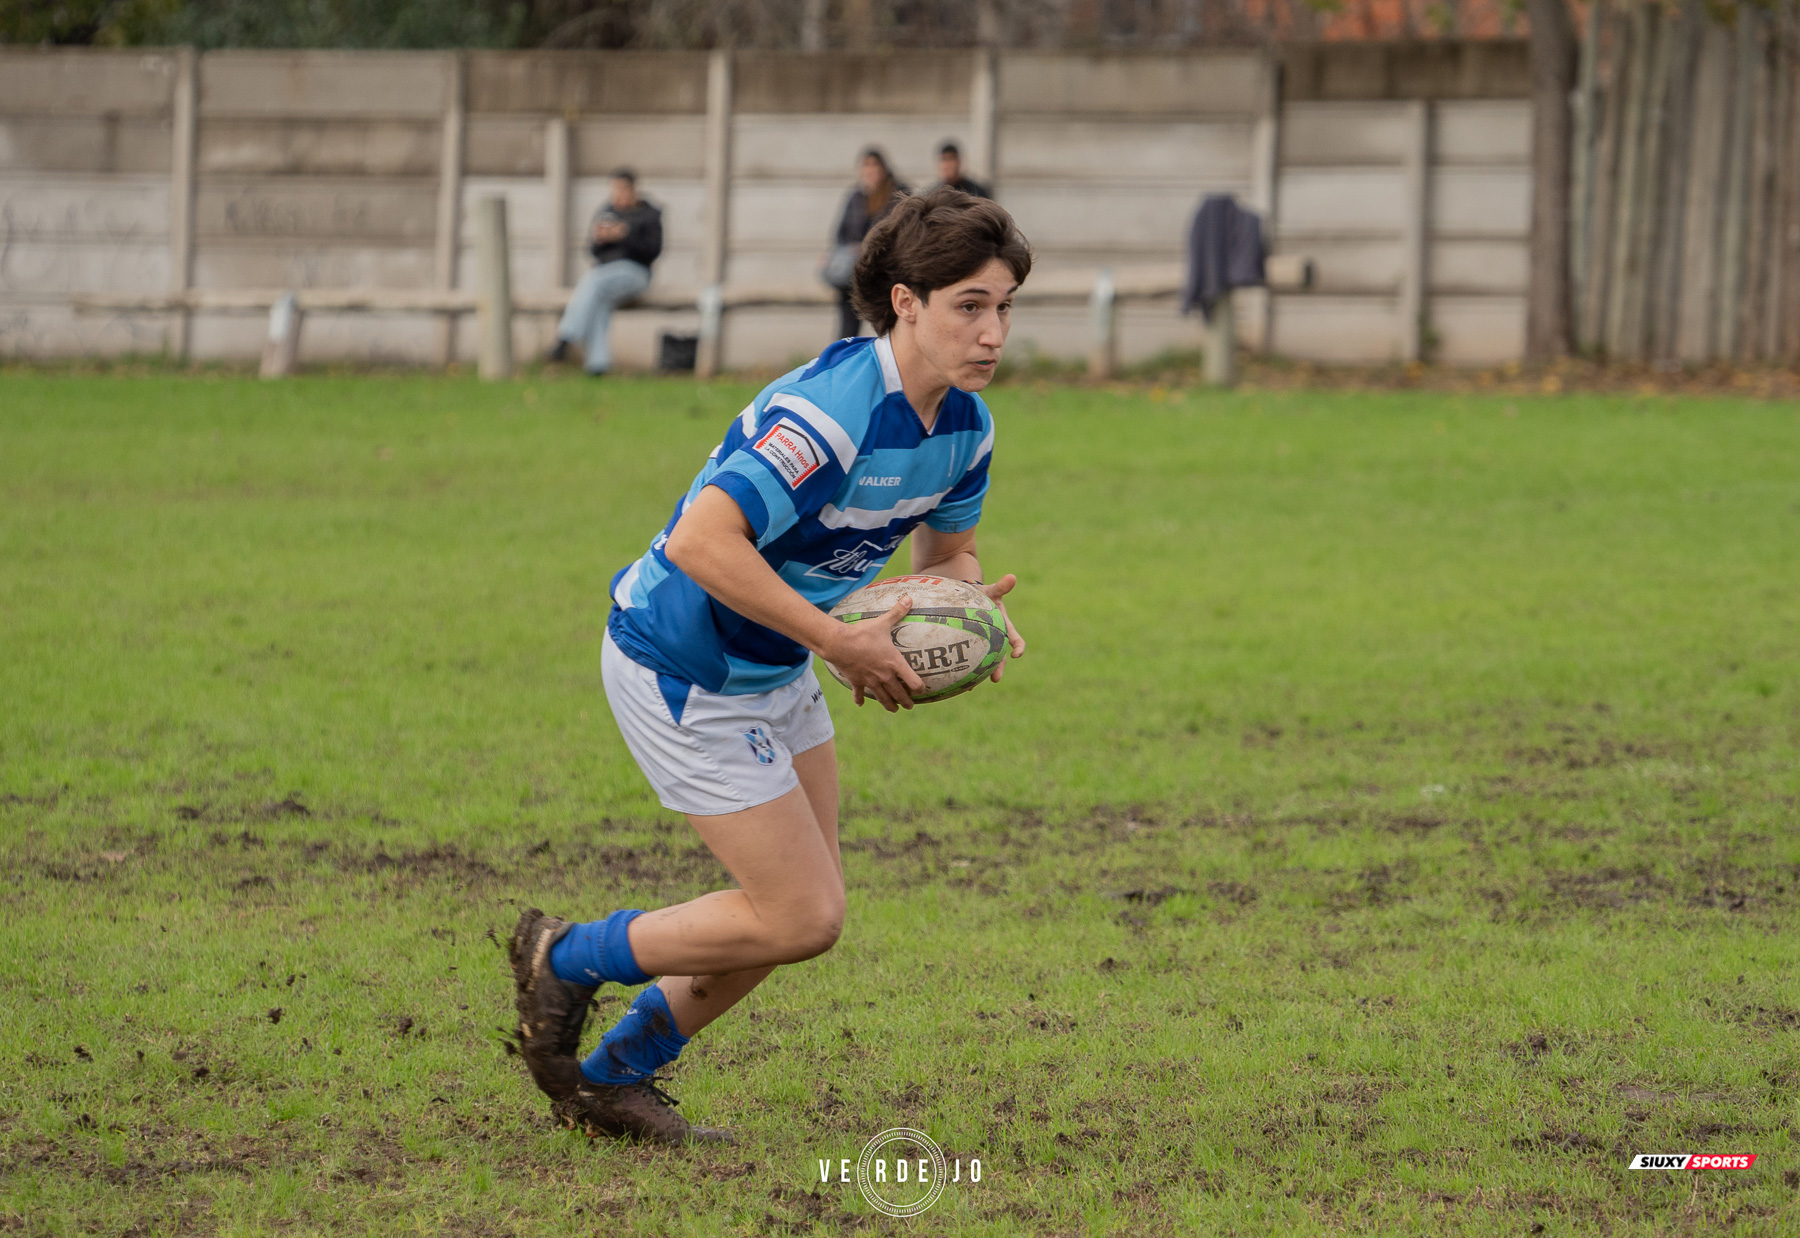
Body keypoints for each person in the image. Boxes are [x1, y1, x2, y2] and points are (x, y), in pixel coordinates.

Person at [509, 185, 1032, 1146]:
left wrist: (971, 617)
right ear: (906, 302)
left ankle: (611, 1078)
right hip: (683, 662)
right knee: (801, 914)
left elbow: (945, 561)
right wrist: (838, 638)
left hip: (777, 663)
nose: (993, 331)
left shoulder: (966, 429)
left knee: (791, 911)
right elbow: (703, 543)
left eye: (1004, 307)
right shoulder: (830, 411)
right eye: (970, 305)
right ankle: (567, 956)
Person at [547, 169, 663, 376]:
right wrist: (602, 239)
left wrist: (625, 235)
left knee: (593, 281)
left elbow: (653, 251)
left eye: (621, 190)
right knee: (598, 300)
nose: (617, 195)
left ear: (633, 190)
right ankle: (597, 365)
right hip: (606, 275)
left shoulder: (649, 215)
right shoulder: (606, 212)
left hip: (635, 274)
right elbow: (592, 251)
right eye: (614, 190)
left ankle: (566, 338)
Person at [822, 148, 908, 341]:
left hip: (884, 272)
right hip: (855, 273)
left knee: (889, 324)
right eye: (866, 166)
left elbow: (900, 233)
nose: (870, 172)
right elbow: (840, 233)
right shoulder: (856, 197)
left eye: (874, 166)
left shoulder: (898, 195)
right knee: (848, 326)